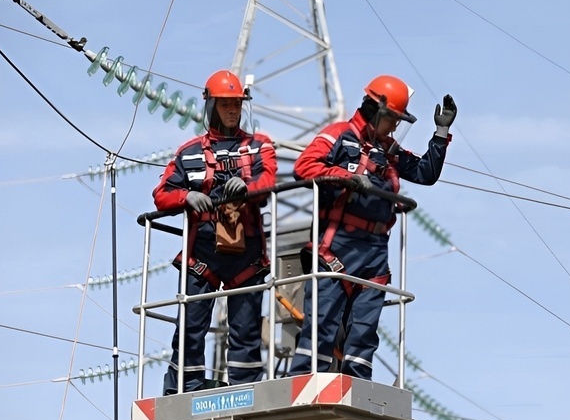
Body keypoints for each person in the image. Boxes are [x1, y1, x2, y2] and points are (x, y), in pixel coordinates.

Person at [288, 74, 457, 380]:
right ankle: (302, 386)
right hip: (336, 248)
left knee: (364, 333)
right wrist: (345, 176)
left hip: (374, 255)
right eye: (392, 118)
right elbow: (304, 167)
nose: (395, 126)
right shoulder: (338, 135)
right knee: (322, 324)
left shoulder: (388, 150)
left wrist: (441, 132)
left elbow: (424, 173)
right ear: (376, 109)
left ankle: (357, 388)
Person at [153, 69, 277, 395]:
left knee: (246, 328)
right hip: (203, 252)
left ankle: (245, 389)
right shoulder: (189, 152)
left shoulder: (259, 147)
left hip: (246, 251)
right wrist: (186, 196)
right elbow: (162, 194)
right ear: (211, 106)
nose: (233, 111)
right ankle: (184, 387)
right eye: (226, 105)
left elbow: (268, 183)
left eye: (237, 104)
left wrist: (247, 188)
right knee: (191, 326)